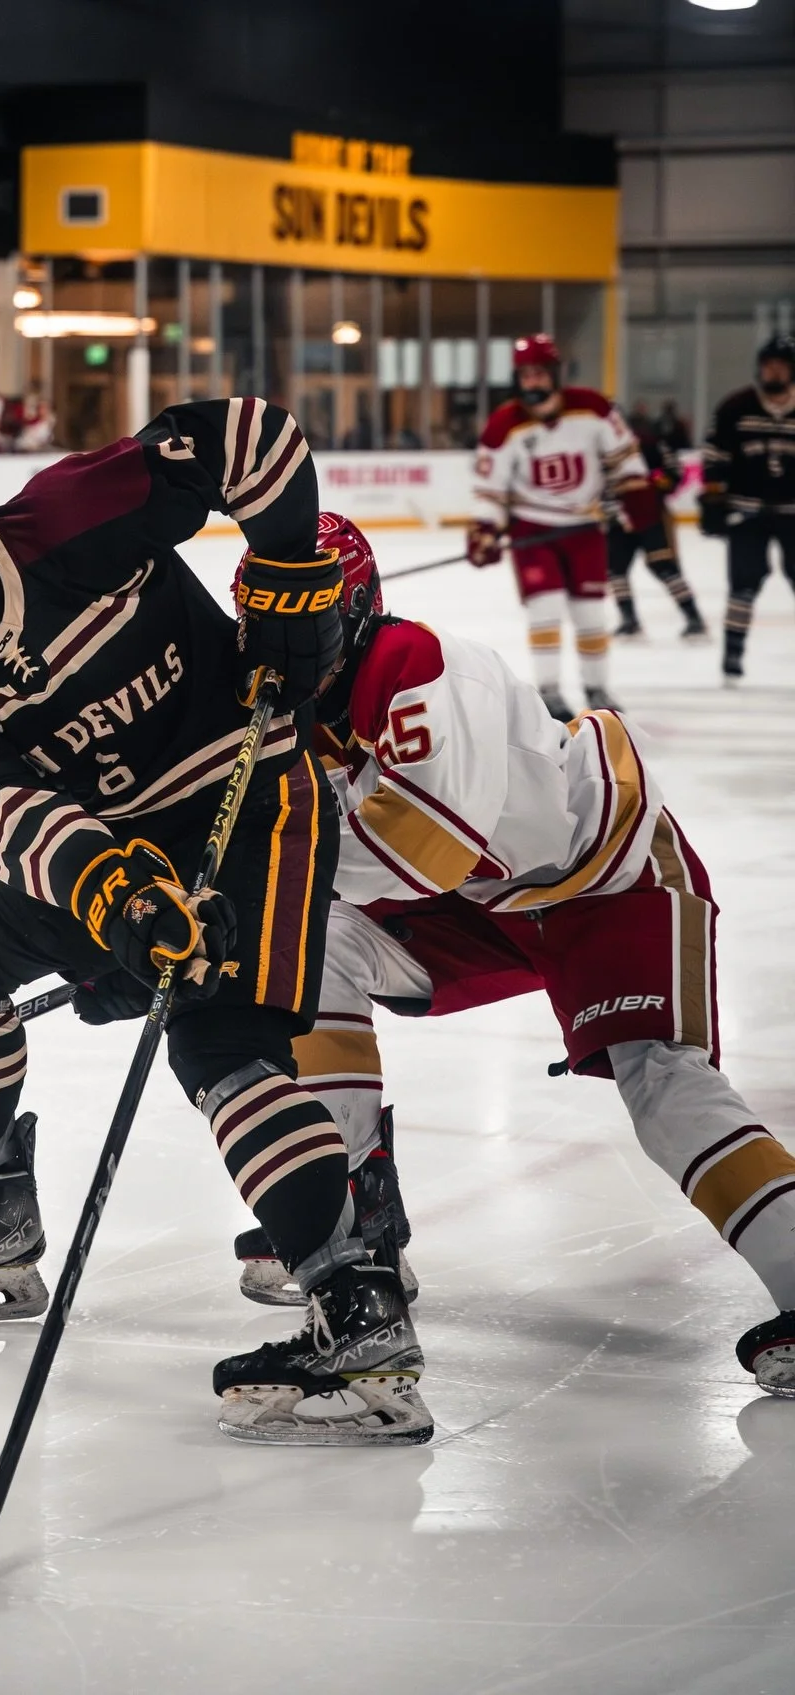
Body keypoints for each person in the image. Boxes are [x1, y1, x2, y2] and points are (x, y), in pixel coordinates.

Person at [0, 405, 431, 1446]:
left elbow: (258, 442)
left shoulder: (72, 516)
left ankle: (355, 1304)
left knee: (219, 1040)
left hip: (256, 802)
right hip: (125, 865)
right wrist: (130, 910)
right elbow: (31, 837)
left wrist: (286, 575)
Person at [229, 514, 795, 1401]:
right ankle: (352, 1230)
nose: (284, 645)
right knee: (322, 947)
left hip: (606, 873)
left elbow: (426, 848)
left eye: (305, 621)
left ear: (358, 609)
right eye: (265, 622)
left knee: (663, 1083)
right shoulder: (286, 710)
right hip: (484, 904)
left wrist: (256, 896)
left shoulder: (409, 665)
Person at [467, 333, 650, 720]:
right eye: (525, 375)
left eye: (538, 373)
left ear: (554, 373)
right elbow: (490, 488)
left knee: (591, 614)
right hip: (532, 530)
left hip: (584, 527)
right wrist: (486, 529)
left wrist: (637, 493)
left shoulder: (593, 409)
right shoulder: (504, 425)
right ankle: (549, 691)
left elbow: (624, 457)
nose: (532, 382)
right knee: (544, 609)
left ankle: (597, 686)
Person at [701, 334, 795, 684]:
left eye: (780, 366)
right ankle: (732, 657)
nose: (773, 372)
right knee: (742, 586)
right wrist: (713, 500)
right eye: (768, 366)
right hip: (746, 512)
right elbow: (714, 456)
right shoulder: (735, 407)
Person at [609, 401, 707, 642]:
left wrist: (653, 488)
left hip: (649, 515)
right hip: (616, 517)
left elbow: (673, 471)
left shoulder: (646, 441)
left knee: (664, 566)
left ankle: (693, 618)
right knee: (616, 570)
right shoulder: (592, 448)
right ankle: (629, 621)